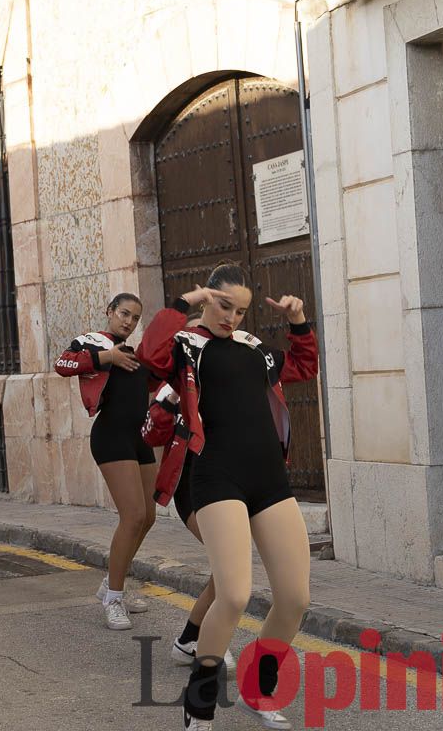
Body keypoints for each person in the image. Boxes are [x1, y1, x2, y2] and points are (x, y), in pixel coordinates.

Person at [136, 262, 318, 731]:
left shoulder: (252, 347)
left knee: (295, 598)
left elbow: (302, 365)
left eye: (239, 311)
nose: (230, 318)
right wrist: (184, 304)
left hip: (268, 478)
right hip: (217, 478)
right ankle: (199, 707)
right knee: (234, 594)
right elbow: (149, 355)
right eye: (222, 305)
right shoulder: (185, 346)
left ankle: (260, 689)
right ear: (207, 297)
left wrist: (299, 322)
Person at [55, 292, 157, 630]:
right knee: (133, 515)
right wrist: (107, 356)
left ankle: (112, 585)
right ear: (109, 311)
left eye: (134, 318)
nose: (128, 321)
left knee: (148, 517)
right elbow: (63, 364)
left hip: (138, 438)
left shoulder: (135, 353)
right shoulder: (92, 342)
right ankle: (113, 599)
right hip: (111, 436)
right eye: (124, 314)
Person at [142, 378, 235, 672]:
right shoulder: (177, 385)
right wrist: (168, 403)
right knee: (228, 564)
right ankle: (211, 642)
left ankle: (187, 640)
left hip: (228, 486)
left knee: (228, 568)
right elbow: (151, 434)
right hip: (192, 489)